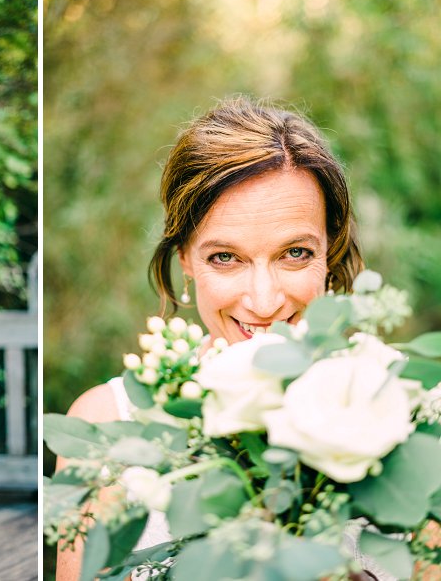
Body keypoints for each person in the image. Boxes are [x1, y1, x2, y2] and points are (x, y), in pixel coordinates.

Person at [55, 96, 384, 580]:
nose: (265, 300)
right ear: (185, 257)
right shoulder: (105, 426)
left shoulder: (409, 412)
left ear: (329, 251)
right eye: (225, 258)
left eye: (294, 252)